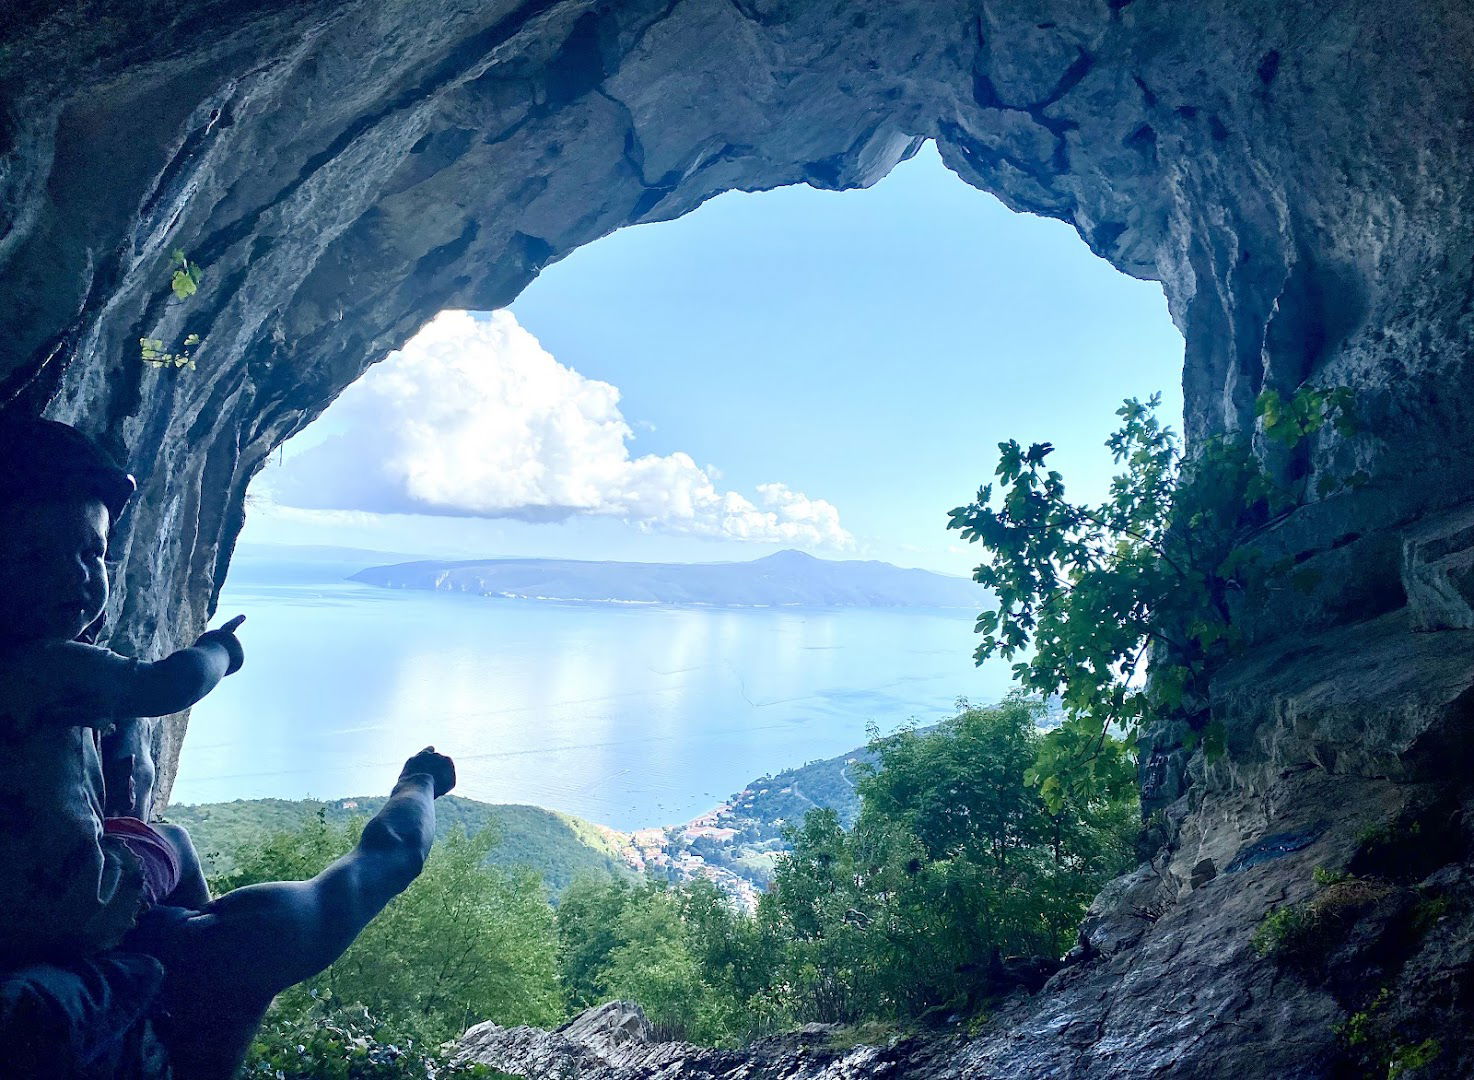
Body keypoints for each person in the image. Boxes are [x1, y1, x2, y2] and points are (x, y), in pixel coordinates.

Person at [0, 417, 457, 1078]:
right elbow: (392, 856)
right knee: (175, 842)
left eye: (91, 554)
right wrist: (421, 779)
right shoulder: (259, 937)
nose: (76, 577)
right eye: (39, 557)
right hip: (113, 921)